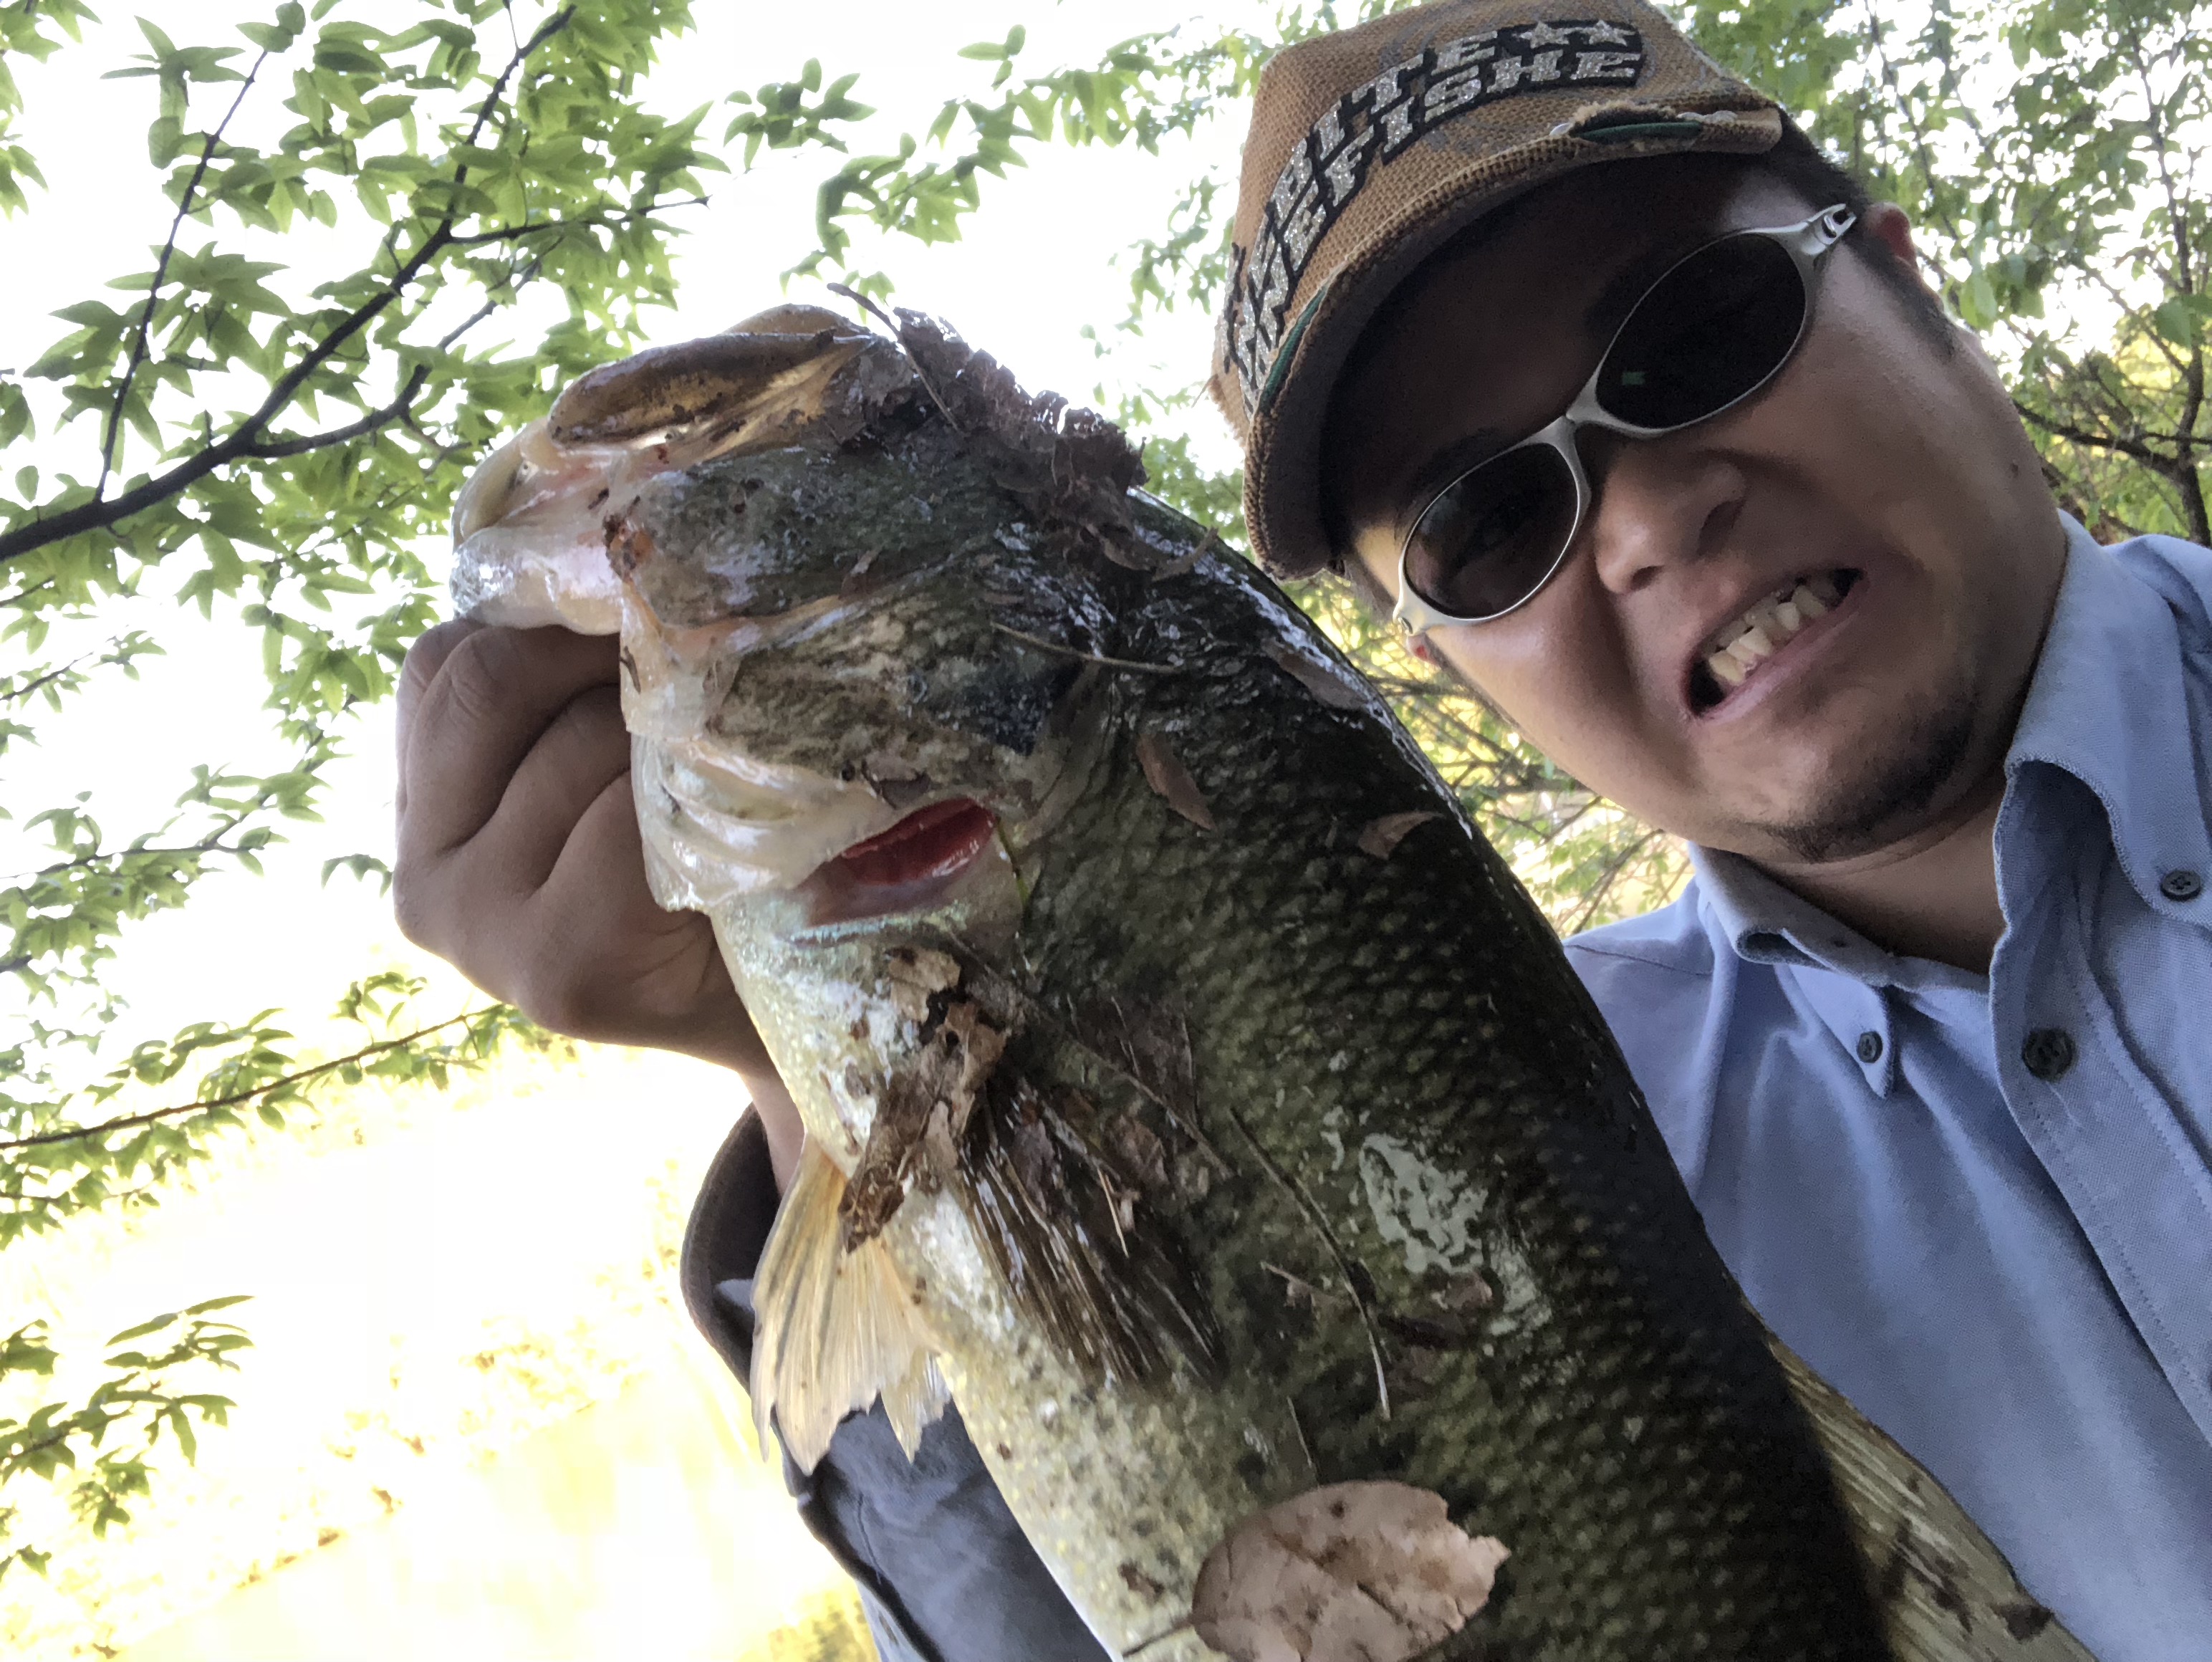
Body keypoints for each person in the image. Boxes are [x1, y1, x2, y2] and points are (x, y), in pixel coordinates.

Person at [394, 1, 2212, 1656]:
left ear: (1908, 282)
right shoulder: (1504, 1126)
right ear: (1436, 659)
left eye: (1697, 336)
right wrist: (831, 1087)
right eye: (1487, 519)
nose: (1648, 522)